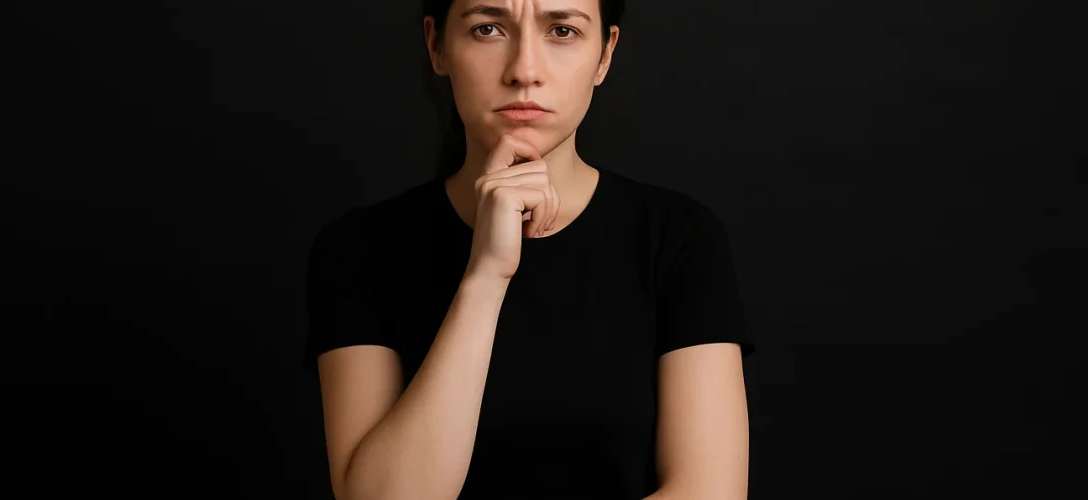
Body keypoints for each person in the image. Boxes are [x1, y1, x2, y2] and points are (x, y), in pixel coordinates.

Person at [305, 1, 754, 498]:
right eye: (488, 28)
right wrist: (486, 277)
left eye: (562, 30)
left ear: (605, 54)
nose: (524, 71)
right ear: (437, 45)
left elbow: (709, 488)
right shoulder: (359, 250)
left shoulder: (679, 238)